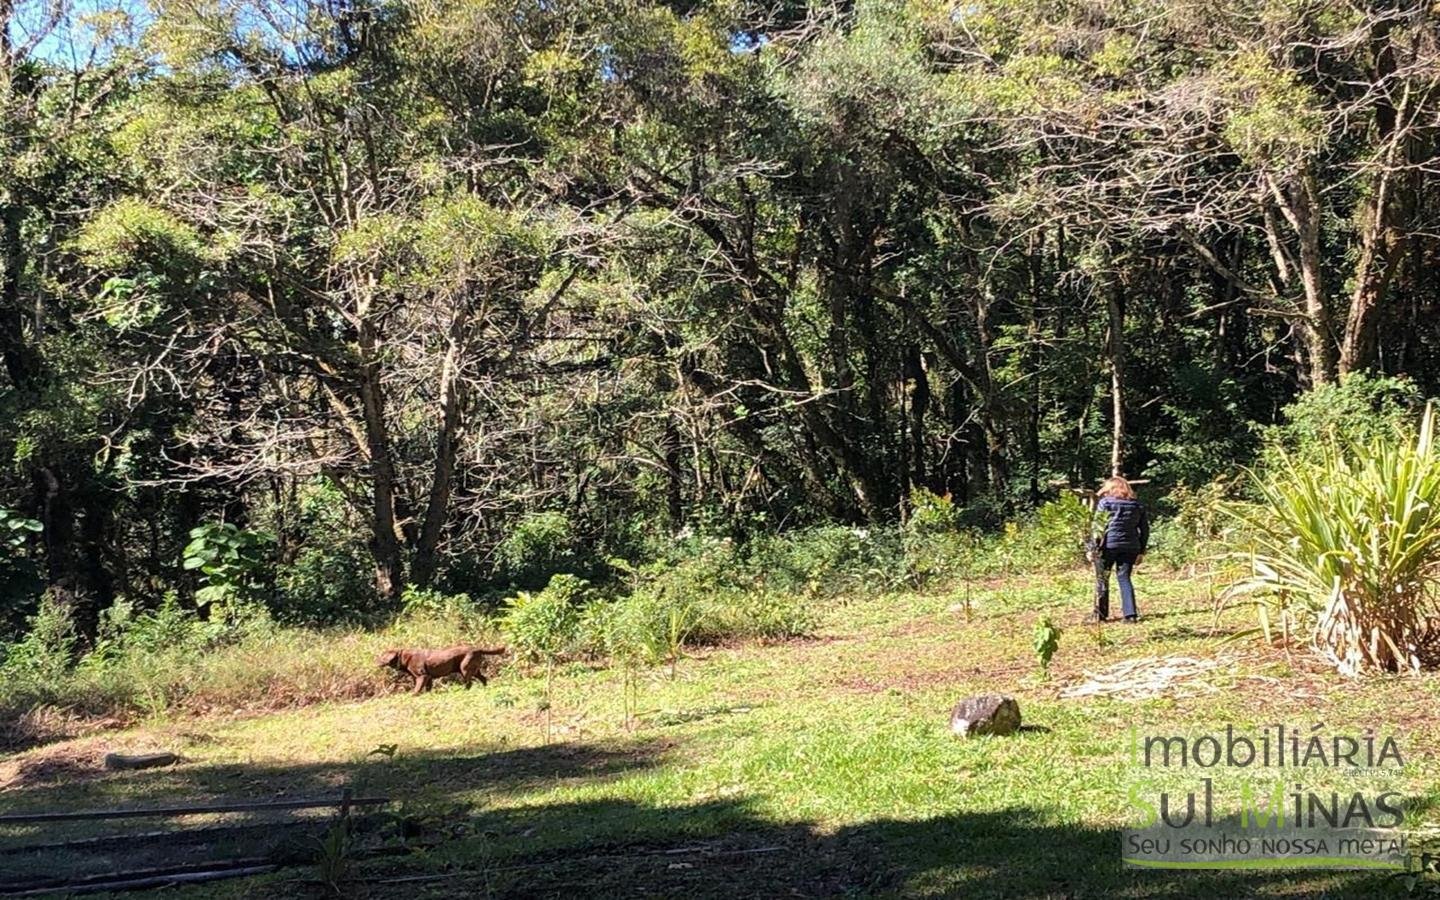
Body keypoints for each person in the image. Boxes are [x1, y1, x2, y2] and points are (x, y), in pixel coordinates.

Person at [1090, 476, 1148, 623]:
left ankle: (1101, 615)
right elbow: (1145, 530)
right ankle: (1130, 615)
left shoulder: (1105, 503)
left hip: (1108, 546)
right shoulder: (1137, 505)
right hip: (1130, 546)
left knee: (1102, 578)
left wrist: (1093, 548)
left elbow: (1098, 528)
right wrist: (1141, 550)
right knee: (1124, 578)